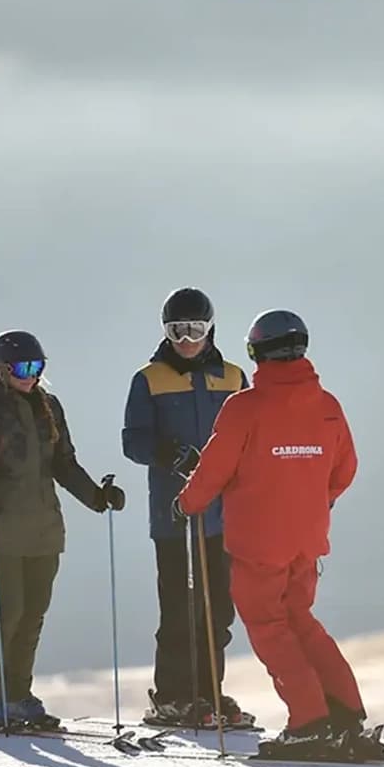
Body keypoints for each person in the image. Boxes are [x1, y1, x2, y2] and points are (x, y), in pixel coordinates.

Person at [174, 309, 384, 760]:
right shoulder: (327, 405)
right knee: (301, 620)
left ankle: (309, 722)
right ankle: (345, 715)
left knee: (270, 626)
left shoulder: (245, 407)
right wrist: (313, 500)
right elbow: (345, 469)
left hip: (259, 541)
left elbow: (214, 469)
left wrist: (186, 503)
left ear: (255, 352)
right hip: (306, 539)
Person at [0, 330, 126, 727]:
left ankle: (16, 693)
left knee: (32, 615)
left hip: (44, 528)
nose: (30, 376)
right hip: (0, 528)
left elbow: (63, 463)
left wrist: (97, 497)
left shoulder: (49, 407)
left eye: (37, 367)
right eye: (22, 368)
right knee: (6, 613)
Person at [121, 287, 253, 729]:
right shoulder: (151, 379)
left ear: (210, 329)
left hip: (224, 516)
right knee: (179, 607)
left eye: (195, 330)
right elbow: (133, 440)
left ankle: (208, 692)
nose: (186, 340)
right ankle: (174, 696)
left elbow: (251, 432)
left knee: (217, 609)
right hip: (175, 516)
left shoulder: (233, 377)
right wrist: (170, 453)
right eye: (177, 331)